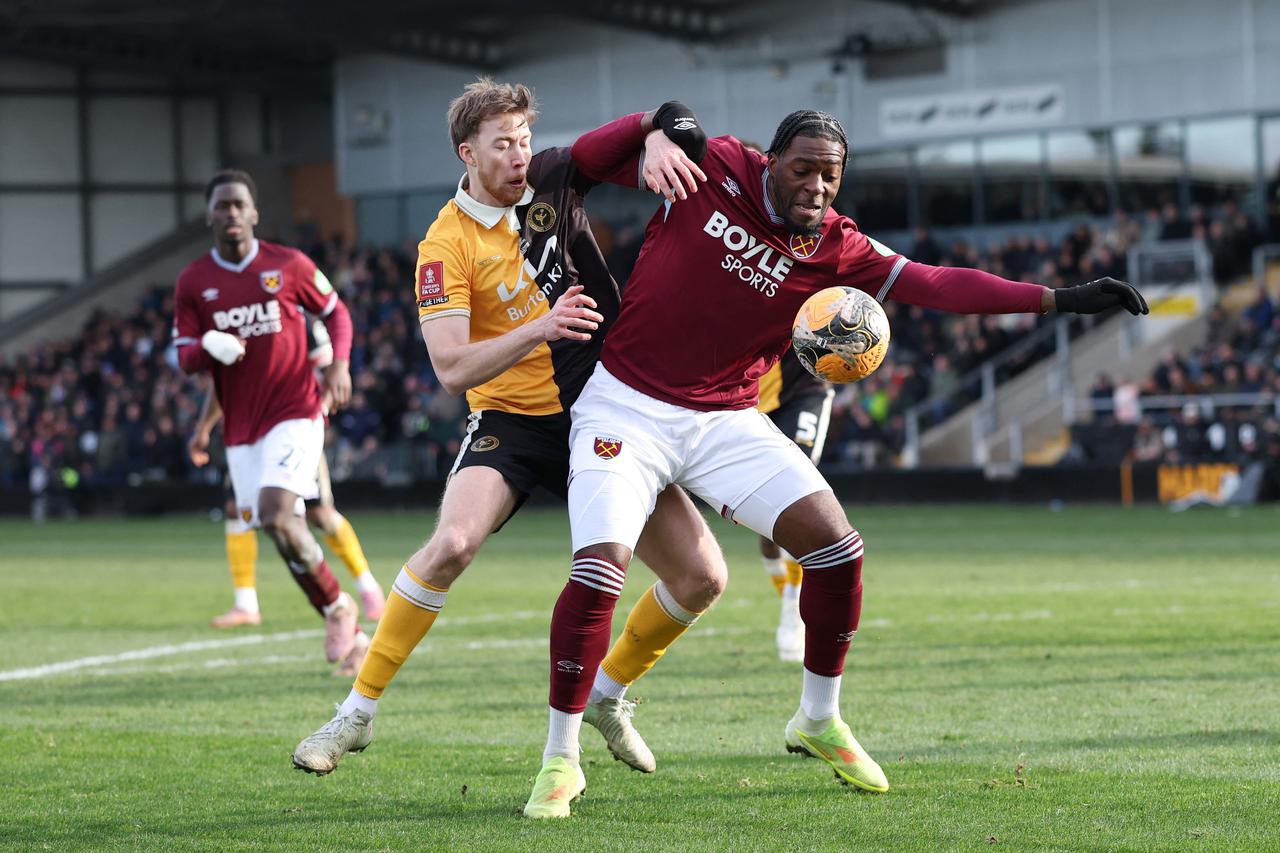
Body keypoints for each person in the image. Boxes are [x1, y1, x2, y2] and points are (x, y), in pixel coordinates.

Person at [523, 108, 1149, 817]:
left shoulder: (841, 246)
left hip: (726, 418)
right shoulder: (716, 166)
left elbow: (940, 285)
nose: (818, 186)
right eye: (804, 168)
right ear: (772, 160)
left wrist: (1058, 300)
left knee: (837, 549)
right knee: (600, 568)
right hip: (625, 406)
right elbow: (578, 163)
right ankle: (559, 758)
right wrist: (654, 124)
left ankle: (817, 718)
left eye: (832, 174)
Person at [290, 79, 727, 778]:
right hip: (513, 423)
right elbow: (452, 369)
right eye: (503, 143)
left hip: (606, 412)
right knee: (452, 543)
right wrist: (542, 327)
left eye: (524, 139)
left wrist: (652, 136)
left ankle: (609, 695)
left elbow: (632, 129)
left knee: (703, 576)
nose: (520, 154)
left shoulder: (555, 181)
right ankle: (356, 712)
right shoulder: (445, 244)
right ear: (467, 152)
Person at [172, 168, 369, 676]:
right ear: (210, 216)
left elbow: (337, 313)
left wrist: (340, 364)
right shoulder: (194, 282)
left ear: (254, 213)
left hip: (295, 410)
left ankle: (350, 602)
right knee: (281, 531)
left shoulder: (289, 264)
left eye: (239, 204)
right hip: (241, 427)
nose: (231, 213)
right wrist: (205, 347)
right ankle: (342, 614)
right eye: (222, 206)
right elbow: (184, 357)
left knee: (280, 513)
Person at [187, 318, 387, 629]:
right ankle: (246, 603)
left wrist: (318, 412)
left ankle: (367, 586)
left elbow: (329, 371)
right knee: (237, 511)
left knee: (319, 514)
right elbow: (221, 381)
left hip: (293, 428)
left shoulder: (301, 322)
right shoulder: (232, 318)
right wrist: (204, 427)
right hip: (247, 436)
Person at [756, 353, 833, 662]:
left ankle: (793, 603)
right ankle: (789, 598)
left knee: (792, 493)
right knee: (764, 521)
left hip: (806, 390)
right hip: (750, 399)